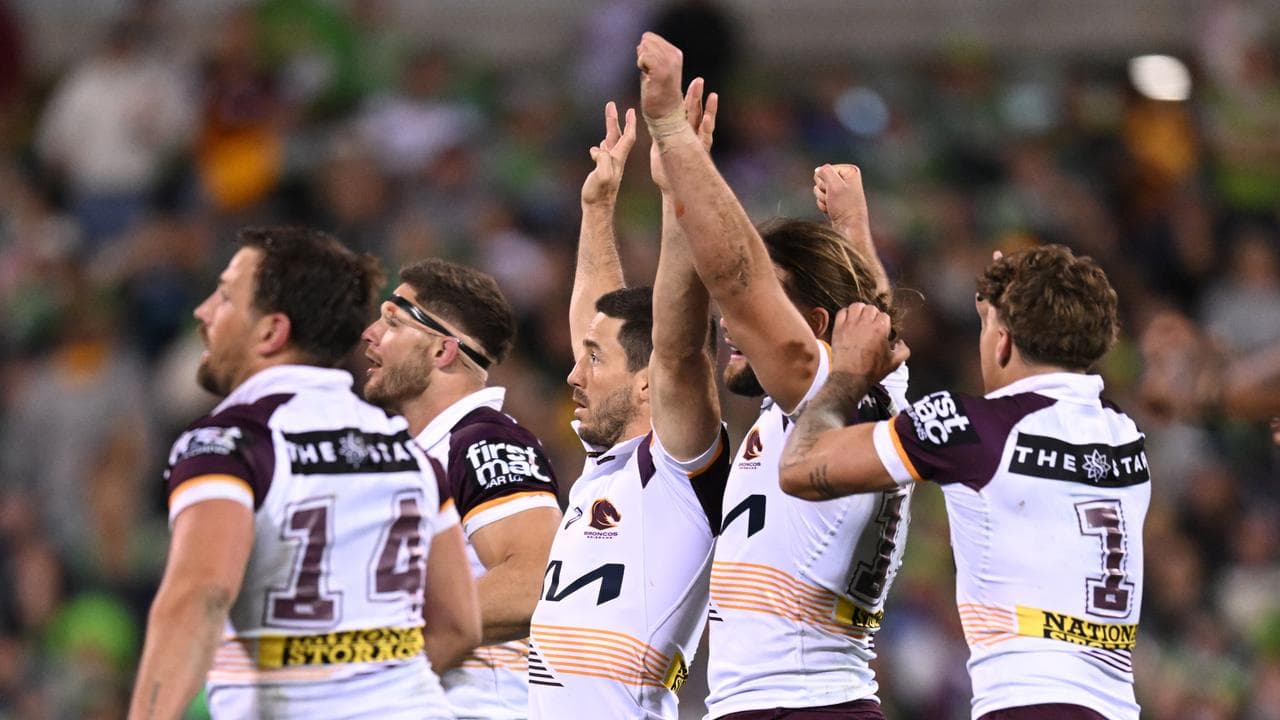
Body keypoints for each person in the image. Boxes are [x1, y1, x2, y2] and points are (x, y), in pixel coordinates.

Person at [638, 32, 910, 719]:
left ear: (814, 329)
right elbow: (869, 317)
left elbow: (737, 277)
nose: (735, 325)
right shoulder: (867, 389)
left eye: (769, 313)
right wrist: (852, 225)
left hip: (795, 706)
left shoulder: (827, 393)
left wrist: (673, 132)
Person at [779, 245, 1149, 720]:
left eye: (986, 327)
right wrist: (1010, 302)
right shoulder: (1125, 437)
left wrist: (849, 371)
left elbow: (800, 466)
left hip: (1026, 708)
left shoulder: (969, 426)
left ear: (1003, 343)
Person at [127, 227, 480, 720]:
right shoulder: (408, 450)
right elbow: (460, 626)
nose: (203, 312)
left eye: (224, 297)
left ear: (271, 332)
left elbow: (200, 596)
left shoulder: (229, 442)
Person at [526, 89, 731, 719]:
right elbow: (600, 321)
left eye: (593, 361)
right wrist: (597, 209)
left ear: (648, 382)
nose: (573, 373)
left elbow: (679, 345)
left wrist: (680, 192)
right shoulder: (605, 464)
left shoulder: (677, 471)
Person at [360, 257, 561, 719]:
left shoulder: (484, 440)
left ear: (442, 351)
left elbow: (532, 582)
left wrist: (377, 651)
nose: (370, 334)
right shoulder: (421, 452)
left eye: (392, 322)